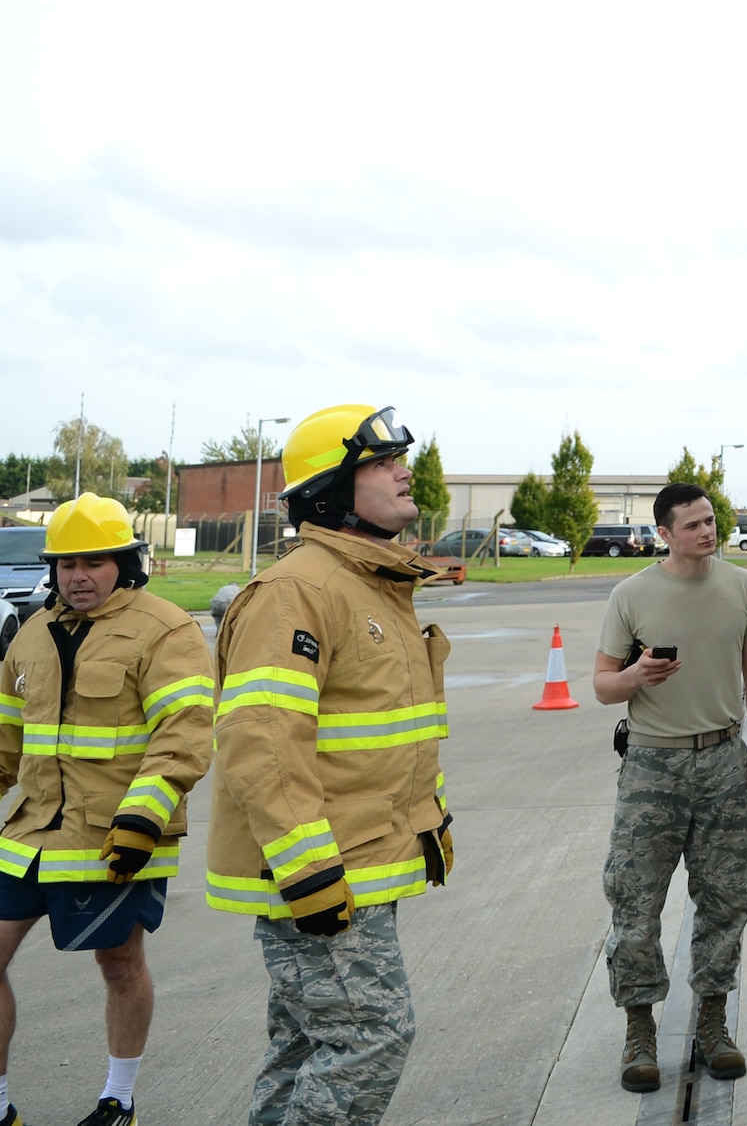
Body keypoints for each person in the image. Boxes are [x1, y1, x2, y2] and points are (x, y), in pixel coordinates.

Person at [209, 405, 453, 1126]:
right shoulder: (299, 590)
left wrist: (427, 825)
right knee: (370, 1038)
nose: (404, 471)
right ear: (333, 490)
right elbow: (264, 741)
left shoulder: (372, 583)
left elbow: (389, 737)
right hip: (322, 874)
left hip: (362, 863)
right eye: (381, 463)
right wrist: (308, 870)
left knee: (304, 1045)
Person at [0, 494, 212, 1126]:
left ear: (127, 563)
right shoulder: (31, 633)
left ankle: (118, 1100)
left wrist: (142, 820)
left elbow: (184, 732)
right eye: (65, 564)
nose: (77, 576)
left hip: (114, 837)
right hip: (30, 834)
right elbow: (4, 738)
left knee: (119, 963)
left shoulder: (167, 629)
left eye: (94, 562)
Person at [594, 483, 747, 1093]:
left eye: (711, 520)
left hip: (724, 760)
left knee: (727, 897)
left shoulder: (743, 586)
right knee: (636, 902)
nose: (707, 530)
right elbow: (600, 686)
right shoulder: (631, 594)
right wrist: (635, 675)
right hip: (652, 767)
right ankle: (639, 1030)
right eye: (693, 524)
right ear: (664, 534)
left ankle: (713, 1023)